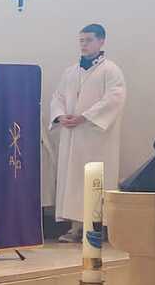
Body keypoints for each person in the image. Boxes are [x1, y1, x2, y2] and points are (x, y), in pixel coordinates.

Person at [48, 23, 127, 242]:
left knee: (93, 182)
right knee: (73, 182)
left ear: (101, 41)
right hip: (72, 135)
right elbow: (58, 97)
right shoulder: (70, 72)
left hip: (95, 138)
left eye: (89, 40)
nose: (84, 44)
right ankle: (75, 227)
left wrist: (85, 116)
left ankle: (93, 229)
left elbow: (114, 99)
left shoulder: (110, 71)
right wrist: (60, 116)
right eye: (81, 40)